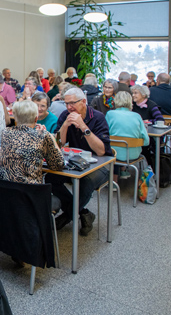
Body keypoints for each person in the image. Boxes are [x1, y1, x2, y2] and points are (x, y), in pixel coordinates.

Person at [48, 87, 112, 237]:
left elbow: (102, 151)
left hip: (100, 165)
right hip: (77, 164)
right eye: (66, 103)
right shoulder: (65, 115)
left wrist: (83, 127)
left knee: (86, 181)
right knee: (50, 179)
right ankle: (83, 212)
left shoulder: (98, 117)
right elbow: (58, 145)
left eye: (73, 103)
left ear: (83, 102)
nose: (69, 107)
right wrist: (64, 126)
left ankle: (67, 216)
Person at [0, 100, 63, 184]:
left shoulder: (6, 132)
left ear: (15, 118)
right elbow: (58, 165)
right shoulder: (43, 136)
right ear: (36, 119)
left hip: (0, 188)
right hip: (27, 191)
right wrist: (49, 136)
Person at [106, 92, 149, 163]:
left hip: (113, 153)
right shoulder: (137, 116)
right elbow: (146, 141)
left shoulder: (110, 114)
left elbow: (105, 134)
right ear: (130, 102)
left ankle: (119, 172)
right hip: (133, 155)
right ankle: (124, 171)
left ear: (115, 101)